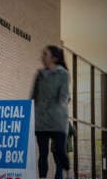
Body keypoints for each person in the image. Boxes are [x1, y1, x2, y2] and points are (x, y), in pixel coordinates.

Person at [31, 45, 72, 179]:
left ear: (54, 58)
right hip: (41, 121)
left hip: (57, 121)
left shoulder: (63, 74)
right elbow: (33, 97)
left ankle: (68, 173)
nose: (41, 57)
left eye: (45, 54)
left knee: (60, 152)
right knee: (43, 154)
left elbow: (63, 97)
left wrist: (51, 106)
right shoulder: (40, 75)